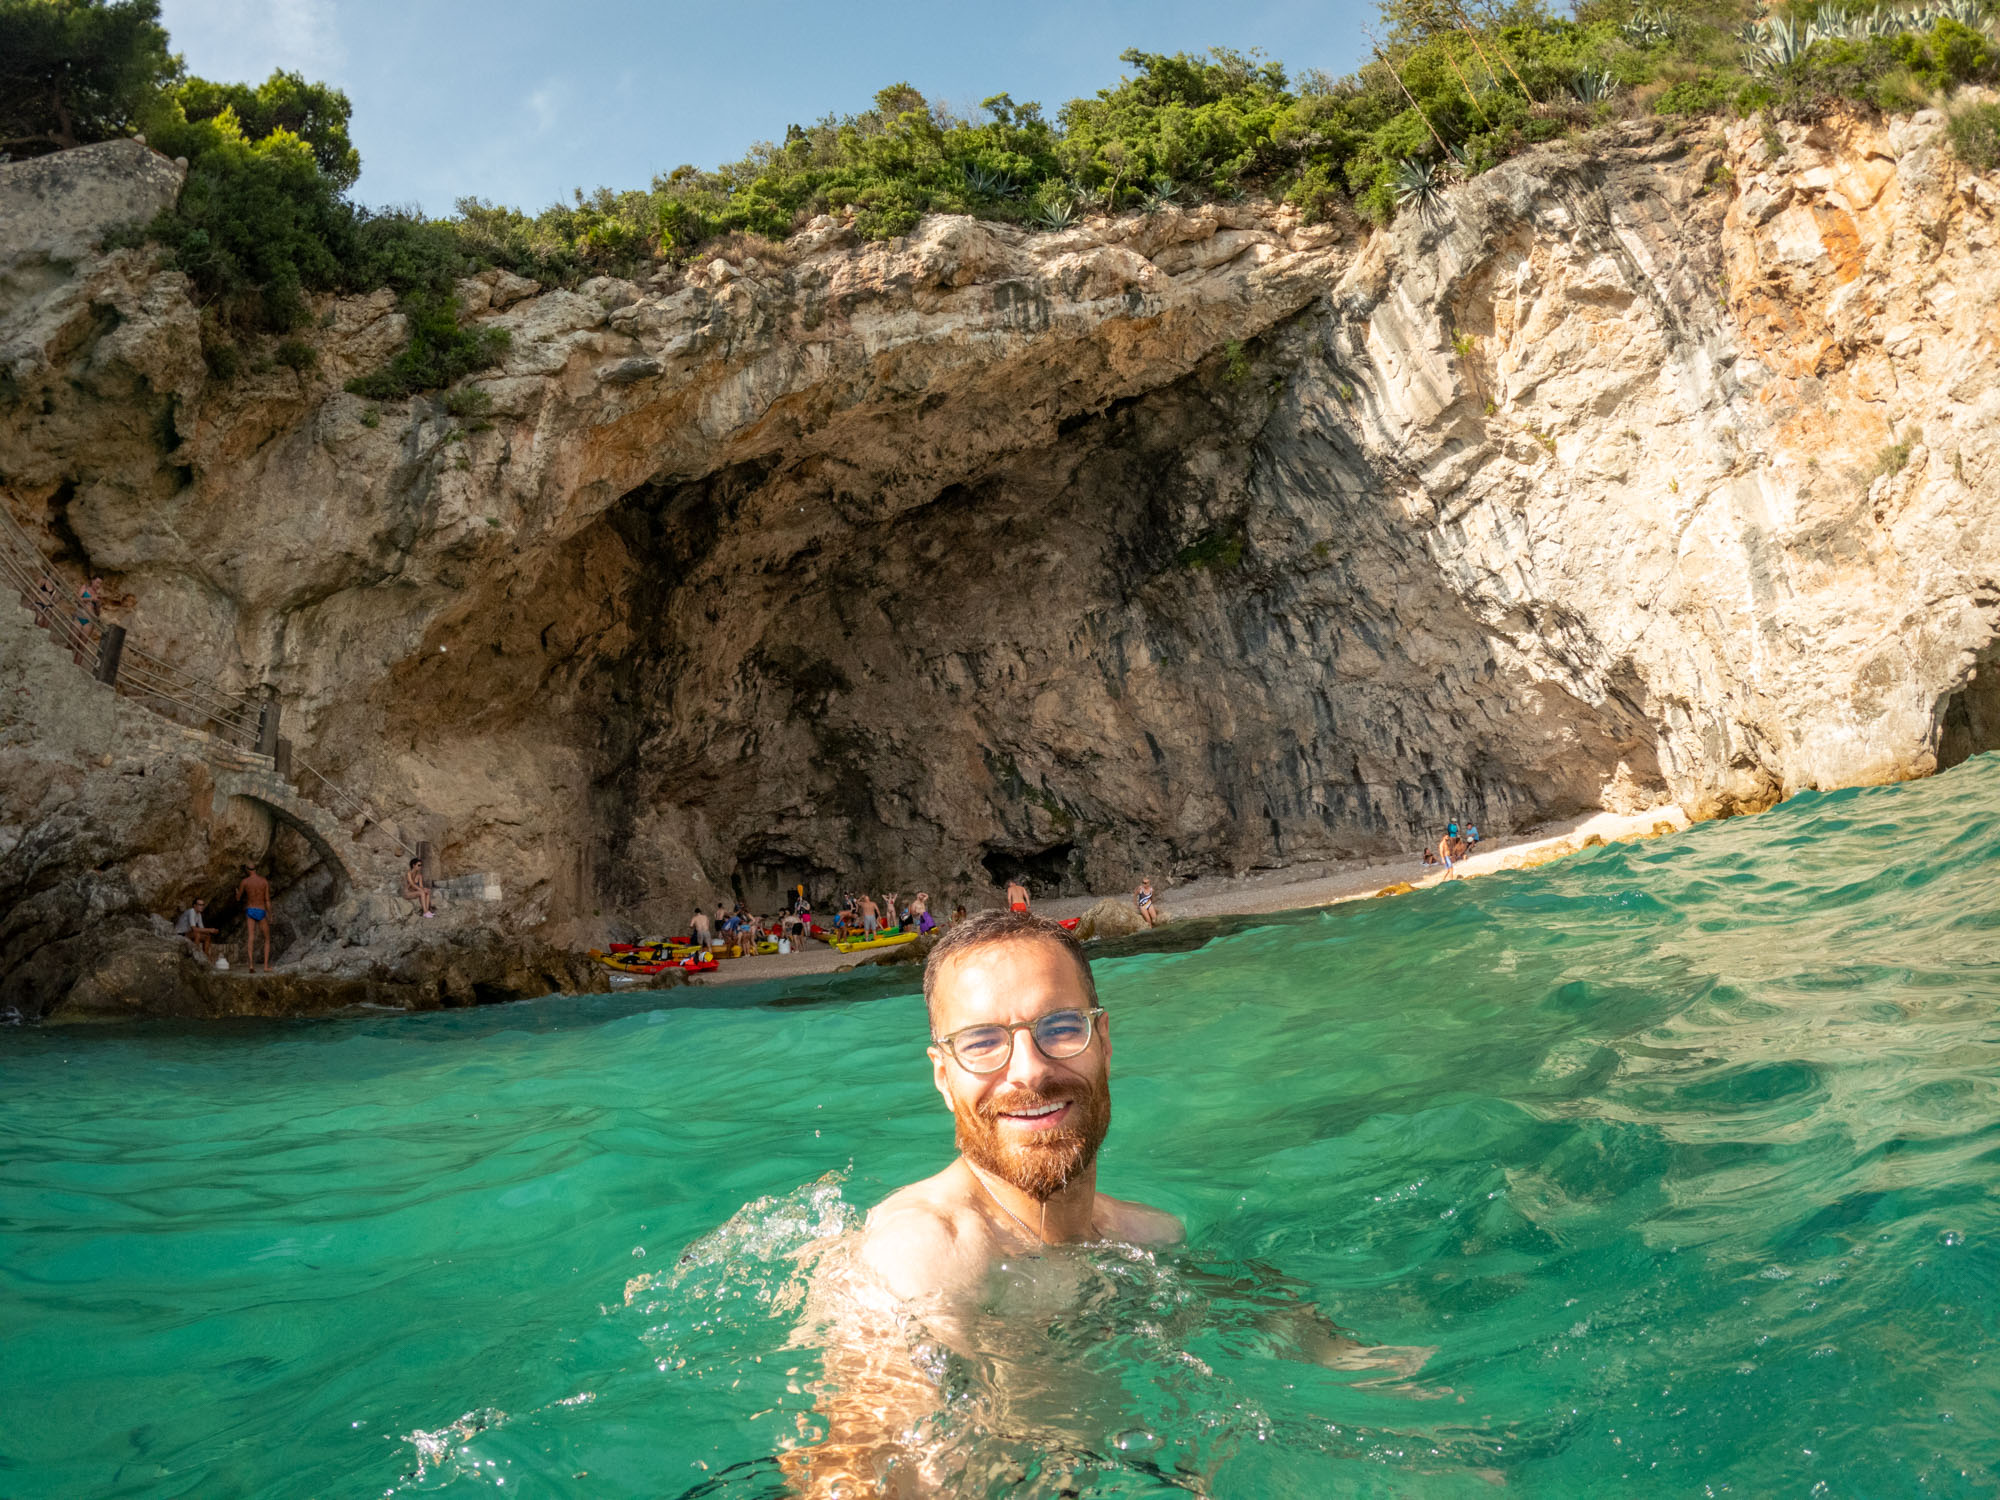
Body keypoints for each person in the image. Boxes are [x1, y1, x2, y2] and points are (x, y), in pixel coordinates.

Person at [236, 863, 273, 971]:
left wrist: (237, 893)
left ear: (247, 870)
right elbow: (267, 900)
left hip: (250, 909)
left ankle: (251, 965)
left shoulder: (245, 882)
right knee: (267, 939)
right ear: (256, 869)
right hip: (261, 910)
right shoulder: (264, 881)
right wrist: (270, 914)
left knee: (251, 937)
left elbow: (238, 898)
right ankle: (266, 966)